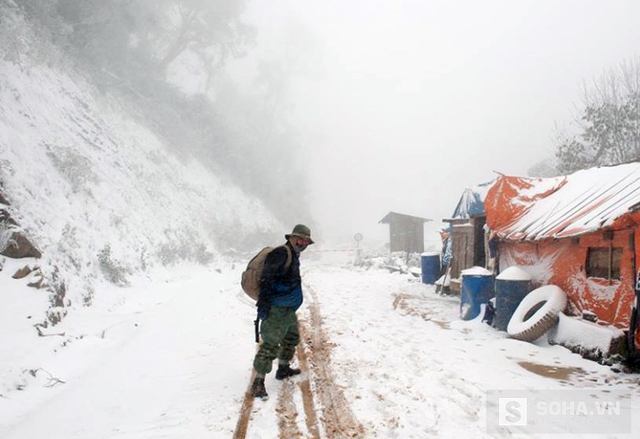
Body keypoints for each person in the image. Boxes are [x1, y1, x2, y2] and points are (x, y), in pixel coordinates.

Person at [250, 224, 315, 399]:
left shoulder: (293, 255)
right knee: (270, 344)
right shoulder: (281, 253)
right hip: (276, 309)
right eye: (299, 239)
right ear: (291, 238)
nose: (302, 242)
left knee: (291, 338)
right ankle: (258, 383)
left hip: (288, 309)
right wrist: (264, 305)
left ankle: (283, 369)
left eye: (305, 240)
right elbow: (267, 279)